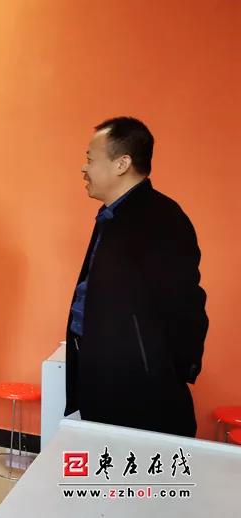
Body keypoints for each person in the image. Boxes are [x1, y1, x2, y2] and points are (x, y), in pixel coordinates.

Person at [64, 116, 208, 437]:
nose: (84, 168)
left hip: (137, 390)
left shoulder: (162, 219)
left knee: (134, 466)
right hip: (101, 376)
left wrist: (163, 372)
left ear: (122, 164)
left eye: (90, 159)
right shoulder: (112, 216)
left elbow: (186, 307)